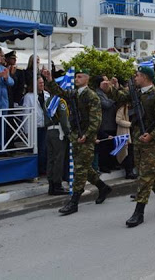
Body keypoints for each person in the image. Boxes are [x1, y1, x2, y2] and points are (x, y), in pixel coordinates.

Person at [103, 67, 155, 228]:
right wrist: (109, 89)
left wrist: (152, 135)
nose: (136, 78)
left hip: (152, 141)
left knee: (146, 174)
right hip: (138, 137)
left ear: (146, 78)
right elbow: (120, 97)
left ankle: (139, 211)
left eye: (138, 76)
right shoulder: (137, 93)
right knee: (144, 172)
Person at [43, 68, 112, 216]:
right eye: (76, 77)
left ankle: (74, 202)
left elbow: (96, 120)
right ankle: (103, 187)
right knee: (84, 168)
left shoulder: (92, 96)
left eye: (80, 77)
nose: (76, 79)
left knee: (80, 170)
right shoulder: (75, 94)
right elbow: (60, 92)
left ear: (87, 79)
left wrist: (87, 135)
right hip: (76, 135)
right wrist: (50, 80)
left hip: (86, 138)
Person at [22, 77, 50, 175]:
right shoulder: (28, 96)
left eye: (42, 82)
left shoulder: (47, 95)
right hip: (35, 127)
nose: (42, 85)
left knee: (45, 149)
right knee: (37, 149)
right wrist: (26, 129)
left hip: (45, 125)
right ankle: (38, 170)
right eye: (39, 83)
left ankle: (44, 169)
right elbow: (26, 113)